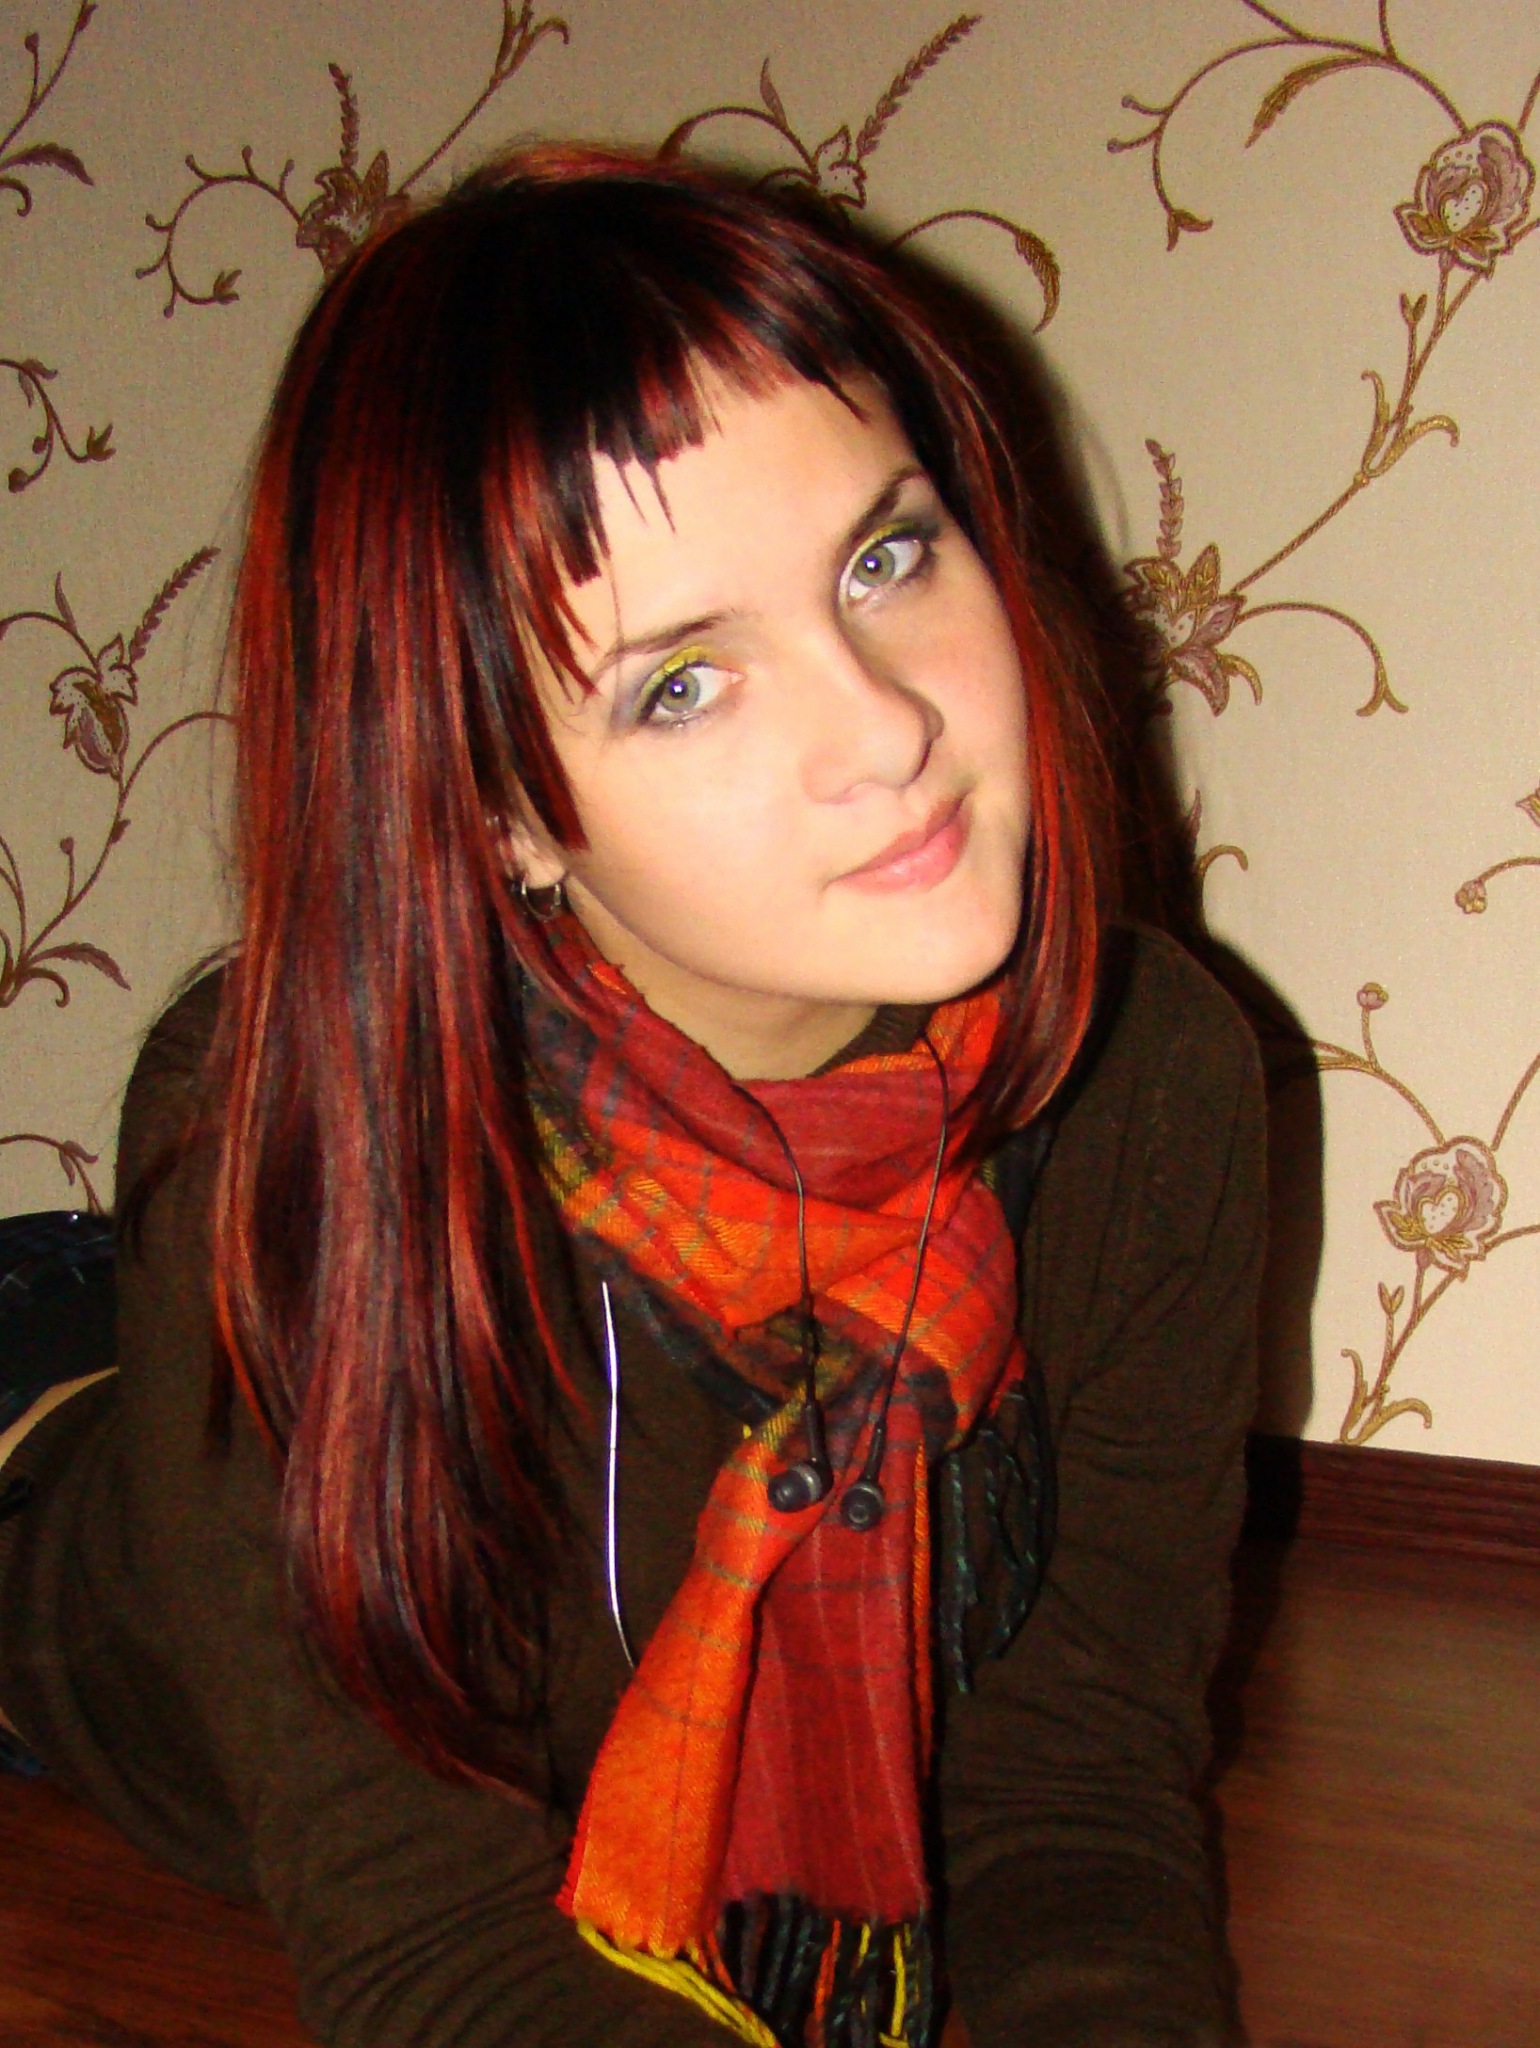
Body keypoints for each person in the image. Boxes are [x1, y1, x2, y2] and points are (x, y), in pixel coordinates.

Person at [0, 147, 1265, 2048]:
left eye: (886, 558)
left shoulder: (1150, 1086)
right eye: (684, 684)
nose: (889, 728)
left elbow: (1074, 1792)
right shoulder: (307, 1133)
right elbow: (435, 1951)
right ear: (492, 809)